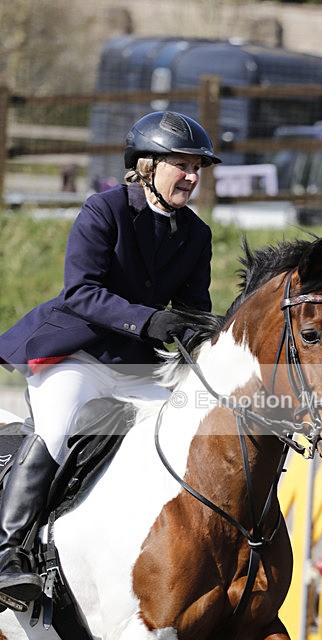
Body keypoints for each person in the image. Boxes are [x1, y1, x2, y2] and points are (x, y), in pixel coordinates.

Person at [0, 110, 221, 610]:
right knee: (54, 431)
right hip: (74, 354)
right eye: (181, 165)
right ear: (146, 167)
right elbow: (81, 293)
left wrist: (198, 330)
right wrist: (149, 322)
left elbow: (193, 308)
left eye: (196, 168)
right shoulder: (103, 210)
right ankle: (8, 552)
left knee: (181, 429)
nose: (191, 176)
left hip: (133, 366)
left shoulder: (196, 234)